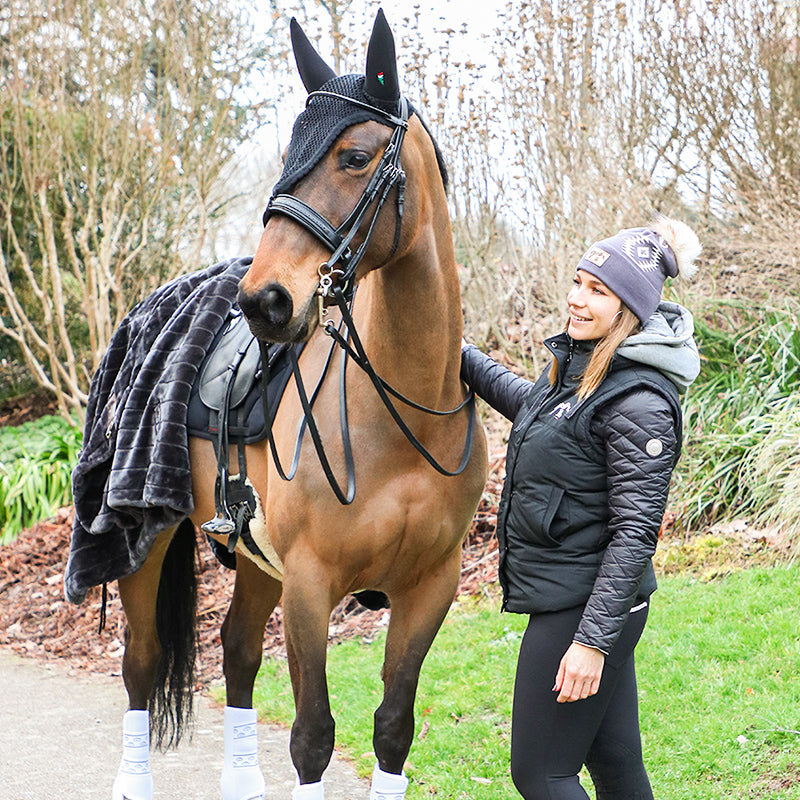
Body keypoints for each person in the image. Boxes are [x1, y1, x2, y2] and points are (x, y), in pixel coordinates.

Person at [461, 215, 702, 800]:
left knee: (542, 774)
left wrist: (591, 643)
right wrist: (456, 351)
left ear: (629, 310)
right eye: (578, 282)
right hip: (583, 595)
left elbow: (635, 533)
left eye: (599, 291)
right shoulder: (583, 373)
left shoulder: (638, 400)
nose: (577, 299)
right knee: (615, 763)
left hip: (587, 603)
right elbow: (535, 409)